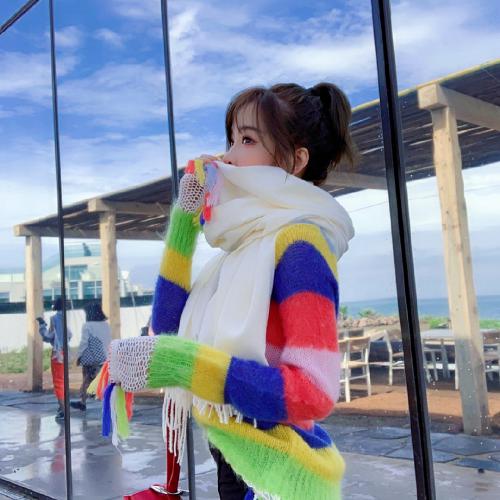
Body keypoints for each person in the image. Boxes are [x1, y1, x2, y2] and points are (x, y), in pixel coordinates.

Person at [99, 82, 355, 499]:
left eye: (247, 140)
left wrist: (180, 365)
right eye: (231, 140)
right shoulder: (241, 248)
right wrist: (185, 220)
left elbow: (313, 391)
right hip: (235, 457)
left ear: (296, 160)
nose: (229, 156)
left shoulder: (301, 246)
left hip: (279, 478)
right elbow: (167, 327)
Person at [71, 302, 111, 411]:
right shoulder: (106, 325)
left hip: (91, 359)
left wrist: (79, 356)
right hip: (104, 357)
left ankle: (82, 402)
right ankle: (107, 403)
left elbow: (84, 343)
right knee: (103, 380)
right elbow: (108, 341)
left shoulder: (87, 325)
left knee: (86, 379)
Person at [37, 297, 72, 421]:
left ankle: (64, 410)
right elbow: (69, 335)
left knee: (58, 383)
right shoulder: (67, 317)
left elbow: (48, 336)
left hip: (58, 353)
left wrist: (42, 325)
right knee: (64, 381)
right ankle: (62, 409)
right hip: (66, 352)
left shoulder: (55, 318)